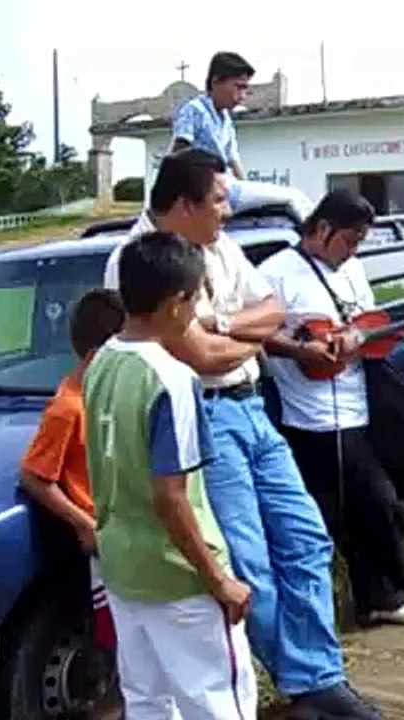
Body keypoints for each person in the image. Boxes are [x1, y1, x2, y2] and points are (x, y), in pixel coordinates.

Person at [103, 149, 379, 718]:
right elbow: (199, 357)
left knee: (306, 538)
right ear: (183, 204)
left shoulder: (218, 246)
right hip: (206, 415)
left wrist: (227, 325)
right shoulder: (140, 261)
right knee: (249, 562)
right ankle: (305, 685)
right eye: (220, 201)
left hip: (252, 406)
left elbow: (272, 311)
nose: (227, 212)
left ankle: (315, 676)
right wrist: (246, 338)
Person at [84, 231, 256, 717]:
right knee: (216, 702)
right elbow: (171, 497)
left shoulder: (101, 361)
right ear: (177, 303)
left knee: (147, 701)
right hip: (178, 576)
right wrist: (218, 579)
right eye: (196, 296)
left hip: (122, 566)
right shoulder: (173, 377)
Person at [258, 188, 404, 626]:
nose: (353, 251)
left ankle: (387, 587)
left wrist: (398, 333)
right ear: (322, 229)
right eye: (349, 240)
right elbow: (258, 335)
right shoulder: (274, 274)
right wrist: (300, 351)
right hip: (315, 415)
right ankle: (383, 593)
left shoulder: (352, 269)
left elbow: (367, 327)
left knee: (392, 486)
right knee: (368, 500)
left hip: (362, 400)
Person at [19, 289, 125, 655]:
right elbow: (34, 477)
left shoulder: (107, 395)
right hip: (102, 541)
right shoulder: (67, 408)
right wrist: (83, 522)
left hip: (126, 534)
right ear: (98, 355)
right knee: (117, 636)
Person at [172, 51, 254, 180]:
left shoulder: (226, 120)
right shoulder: (195, 110)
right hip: (199, 184)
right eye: (238, 87)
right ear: (216, 81)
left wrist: (246, 188)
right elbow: (178, 152)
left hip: (220, 184)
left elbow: (233, 159)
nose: (242, 96)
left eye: (245, 89)